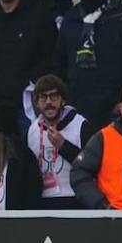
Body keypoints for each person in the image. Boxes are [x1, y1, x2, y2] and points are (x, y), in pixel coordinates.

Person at [27, 75, 99, 210]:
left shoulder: (81, 125)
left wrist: (64, 146)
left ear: (63, 100)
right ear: (36, 102)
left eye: (54, 96)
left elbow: (93, 166)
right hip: (43, 203)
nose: (49, 102)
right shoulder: (31, 131)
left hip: (76, 201)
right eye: (43, 97)